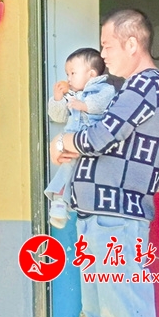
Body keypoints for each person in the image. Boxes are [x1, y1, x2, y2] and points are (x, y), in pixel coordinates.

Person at [50, 9, 159, 317]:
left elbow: (100, 137)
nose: (102, 55)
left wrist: (62, 142)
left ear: (132, 44)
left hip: (116, 220)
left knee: (123, 315)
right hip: (102, 219)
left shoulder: (146, 84)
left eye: (107, 46)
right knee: (99, 315)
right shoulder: (130, 88)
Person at [46, 48, 116, 228]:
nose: (68, 78)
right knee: (66, 171)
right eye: (67, 74)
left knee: (85, 178)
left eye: (73, 73)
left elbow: (103, 103)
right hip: (72, 143)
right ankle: (60, 203)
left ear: (91, 74)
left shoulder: (104, 88)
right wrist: (57, 99)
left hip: (92, 144)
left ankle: (68, 203)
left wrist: (84, 105)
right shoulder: (73, 95)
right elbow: (58, 116)